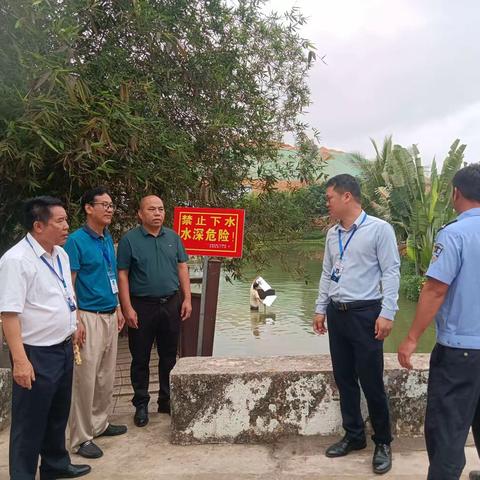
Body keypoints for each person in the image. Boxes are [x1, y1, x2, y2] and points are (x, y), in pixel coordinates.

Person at [312, 174, 400, 475]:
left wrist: (387, 313)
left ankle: (383, 442)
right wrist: (320, 309)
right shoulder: (332, 233)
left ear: (347, 196)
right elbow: (327, 273)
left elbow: (391, 272)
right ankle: (354, 435)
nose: (328, 202)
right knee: (344, 378)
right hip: (338, 314)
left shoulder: (379, 230)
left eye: (330, 197)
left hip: (366, 314)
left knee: (371, 381)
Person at [398, 163, 480, 480]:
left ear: (455, 193)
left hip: (460, 352)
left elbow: (435, 289)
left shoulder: (455, 234)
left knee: (447, 427)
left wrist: (411, 338)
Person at [0, 196, 91, 479]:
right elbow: (9, 315)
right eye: (60, 221)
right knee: (30, 422)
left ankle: (55, 465)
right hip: (36, 353)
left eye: (66, 219)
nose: (67, 226)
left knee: (56, 414)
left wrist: (74, 322)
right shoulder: (16, 261)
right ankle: (23, 474)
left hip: (63, 348)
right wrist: (21, 361)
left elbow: (66, 292)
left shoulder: (60, 254)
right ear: (38, 226)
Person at [117, 195, 192, 427]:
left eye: (160, 209)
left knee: (169, 355)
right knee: (140, 357)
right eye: (151, 209)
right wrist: (126, 306)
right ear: (140, 214)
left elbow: (182, 267)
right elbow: (122, 274)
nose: (157, 213)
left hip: (171, 303)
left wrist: (187, 298)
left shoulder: (173, 238)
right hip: (142, 306)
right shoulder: (130, 240)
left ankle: (166, 399)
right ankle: (141, 403)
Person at [64, 187, 127, 459]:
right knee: (85, 379)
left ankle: (99, 424)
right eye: (104, 204)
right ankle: (80, 437)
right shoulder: (76, 241)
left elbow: (111, 275)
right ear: (88, 208)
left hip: (110, 314)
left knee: (105, 376)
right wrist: (74, 318)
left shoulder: (106, 238)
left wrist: (119, 307)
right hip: (88, 317)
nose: (109, 209)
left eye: (111, 205)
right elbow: (70, 283)